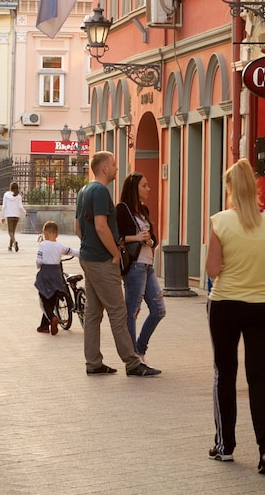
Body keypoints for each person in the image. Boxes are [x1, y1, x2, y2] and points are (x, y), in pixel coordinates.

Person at [205, 159, 265, 475]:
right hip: (263, 306)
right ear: (255, 188)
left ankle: (225, 446)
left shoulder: (220, 222)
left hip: (225, 304)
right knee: (259, 376)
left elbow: (212, 269)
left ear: (229, 189)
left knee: (225, 373)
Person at [75, 151, 160, 377]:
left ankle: (93, 362)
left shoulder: (84, 190)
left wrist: (90, 246)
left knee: (93, 314)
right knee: (118, 312)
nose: (116, 168)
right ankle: (132, 362)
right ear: (104, 168)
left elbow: (78, 228)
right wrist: (114, 253)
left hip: (88, 257)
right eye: (113, 164)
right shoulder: (101, 191)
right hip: (102, 260)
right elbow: (101, 226)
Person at [118, 172, 164, 359]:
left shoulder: (143, 210)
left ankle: (139, 350)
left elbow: (153, 238)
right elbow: (116, 237)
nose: (148, 189)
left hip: (148, 265)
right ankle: (133, 359)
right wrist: (137, 237)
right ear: (134, 188)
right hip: (135, 266)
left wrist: (150, 241)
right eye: (144, 185)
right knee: (132, 312)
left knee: (159, 310)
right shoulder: (122, 209)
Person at [34, 221, 79, 334]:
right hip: (57, 274)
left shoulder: (43, 245)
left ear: (44, 233)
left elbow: (39, 261)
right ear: (57, 234)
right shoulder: (60, 246)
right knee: (52, 298)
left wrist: (39, 266)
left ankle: (52, 318)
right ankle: (44, 326)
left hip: (46, 273)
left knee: (43, 299)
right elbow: (73, 251)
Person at [2, 182, 27, 252]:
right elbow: (20, 207)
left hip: (9, 215)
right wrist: (25, 212)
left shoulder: (6, 195)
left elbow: (4, 206)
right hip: (16, 215)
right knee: (13, 231)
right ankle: (10, 246)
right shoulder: (19, 196)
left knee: (10, 232)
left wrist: (2, 216)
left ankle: (14, 242)